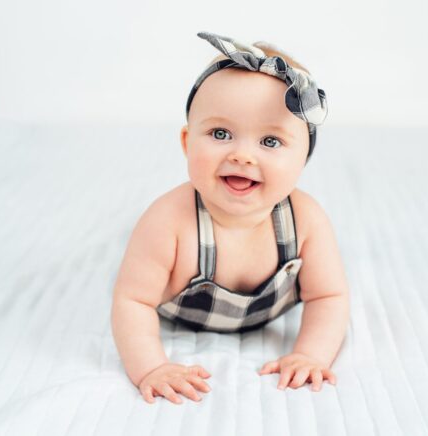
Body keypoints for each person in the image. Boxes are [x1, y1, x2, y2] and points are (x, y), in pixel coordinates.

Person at [111, 31, 350, 405]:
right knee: (134, 269)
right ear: (188, 142)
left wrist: (310, 354)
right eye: (220, 133)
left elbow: (329, 296)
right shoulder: (168, 222)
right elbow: (132, 301)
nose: (242, 155)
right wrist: (151, 367)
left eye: (270, 142)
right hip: (178, 312)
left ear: (303, 157)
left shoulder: (305, 221)